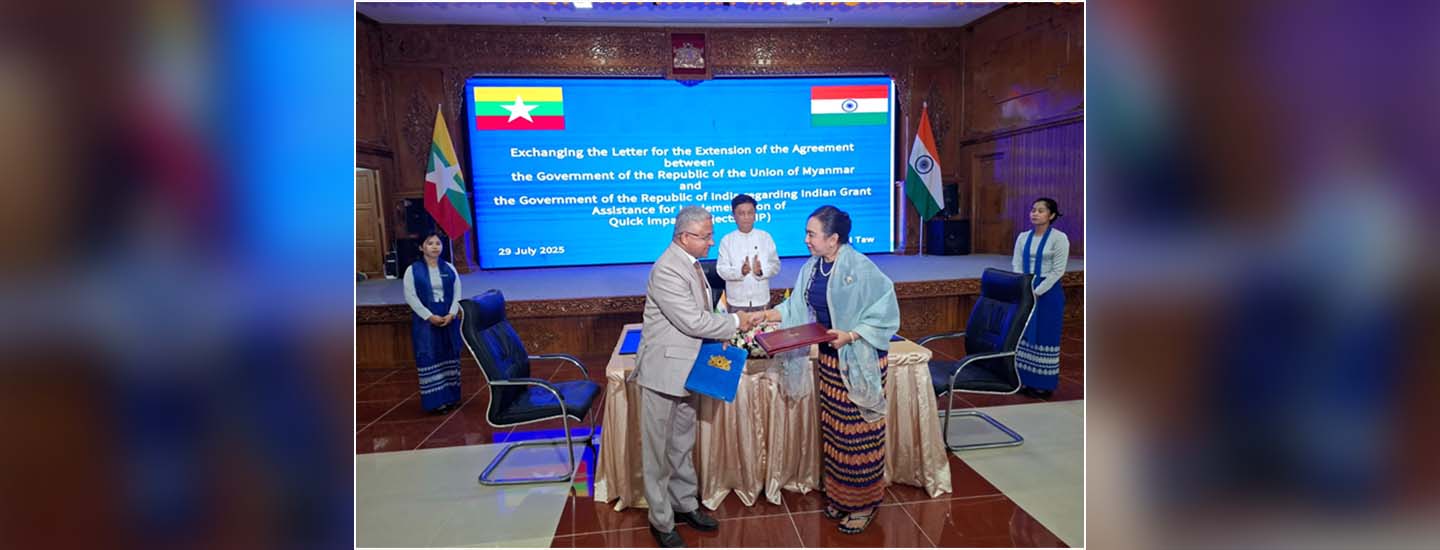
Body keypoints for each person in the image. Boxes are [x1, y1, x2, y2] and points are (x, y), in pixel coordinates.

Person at [758, 205, 899, 534]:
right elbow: (795, 308)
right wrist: (764, 317)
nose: (806, 240)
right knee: (837, 432)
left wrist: (850, 334)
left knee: (859, 434)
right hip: (830, 360)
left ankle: (863, 504)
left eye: (812, 234)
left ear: (833, 238)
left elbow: (886, 310)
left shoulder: (861, 267)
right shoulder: (813, 267)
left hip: (860, 359)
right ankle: (841, 496)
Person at [632, 206, 761, 547]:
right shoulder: (667, 270)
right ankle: (661, 521)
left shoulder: (689, 263)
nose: (711, 242)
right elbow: (692, 321)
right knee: (658, 452)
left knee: (681, 445)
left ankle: (684, 504)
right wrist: (737, 322)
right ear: (685, 237)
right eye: (705, 236)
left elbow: (703, 313)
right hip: (663, 372)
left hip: (688, 370)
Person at [1011, 198, 1070, 398]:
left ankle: (1044, 385)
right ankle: (1025, 380)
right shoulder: (1023, 237)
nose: (1035, 213)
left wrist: (1037, 291)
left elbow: (1057, 271)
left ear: (1051, 215)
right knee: (1024, 336)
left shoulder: (1059, 238)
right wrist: (1024, 287)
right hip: (1026, 288)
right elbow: (1017, 264)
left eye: (1041, 211)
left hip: (1048, 292)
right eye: (1033, 210)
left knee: (1045, 336)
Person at [401, 231, 463, 414]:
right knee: (430, 356)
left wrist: (452, 313)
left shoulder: (450, 268)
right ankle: (436, 402)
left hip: (448, 318)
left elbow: (457, 292)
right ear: (421, 247)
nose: (435, 246)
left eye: (438, 243)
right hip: (426, 321)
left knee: (449, 355)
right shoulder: (412, 270)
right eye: (430, 243)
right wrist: (429, 316)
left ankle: (451, 397)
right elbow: (410, 296)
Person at [715, 194, 781, 313]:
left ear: (755, 215)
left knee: (764, 331)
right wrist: (741, 272)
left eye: (750, 213)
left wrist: (761, 272)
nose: (746, 217)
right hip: (736, 303)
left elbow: (775, 266)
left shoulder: (765, 237)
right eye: (741, 213)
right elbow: (721, 270)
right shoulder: (727, 240)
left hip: (761, 301)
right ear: (734, 216)